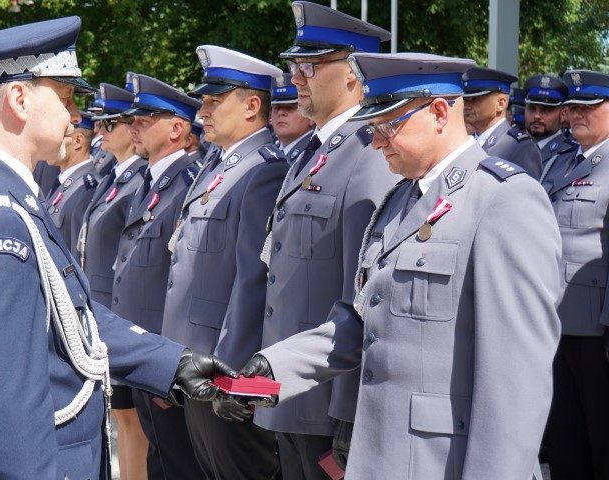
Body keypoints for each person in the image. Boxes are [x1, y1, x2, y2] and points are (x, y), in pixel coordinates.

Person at [0, 17, 237, 479]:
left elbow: (64, 310)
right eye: (65, 99)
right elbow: (2, 423)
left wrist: (171, 363)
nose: (76, 118)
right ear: (19, 100)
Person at [235, 52, 562, 480]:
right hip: (380, 459)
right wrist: (270, 371)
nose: (375, 142)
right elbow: (362, 320)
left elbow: (516, 382)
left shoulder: (504, 200)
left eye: (387, 125)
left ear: (441, 112)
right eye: (371, 128)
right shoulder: (400, 199)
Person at [248, 2, 398, 476]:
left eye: (308, 66)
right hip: (290, 388)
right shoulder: (314, 152)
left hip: (325, 399)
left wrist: (349, 412)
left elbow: (365, 295)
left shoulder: (367, 152)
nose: (295, 78)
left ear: (352, 72)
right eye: (295, 65)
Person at [161, 44, 288, 480]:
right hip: (196, 365)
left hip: (221, 373)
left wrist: (231, 380)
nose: (202, 112)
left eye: (215, 101)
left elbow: (253, 279)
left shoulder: (263, 170)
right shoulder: (221, 165)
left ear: (253, 105)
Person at [112, 73, 204, 480]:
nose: (134, 126)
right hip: (143, 342)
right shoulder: (148, 182)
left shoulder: (188, 181)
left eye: (145, 119)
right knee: (157, 457)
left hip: (163, 345)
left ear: (177, 128)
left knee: (175, 460)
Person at [79, 80, 150, 480]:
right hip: (104, 310)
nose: (102, 132)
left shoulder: (140, 179)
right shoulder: (113, 176)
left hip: (122, 313)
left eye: (113, 124)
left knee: (130, 418)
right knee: (121, 416)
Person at [541, 69, 609, 480]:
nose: (576, 114)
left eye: (589, 106)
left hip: (594, 332)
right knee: (564, 441)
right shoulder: (558, 161)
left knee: (601, 440)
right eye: (572, 107)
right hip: (552, 320)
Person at [463, 67, 542, 179]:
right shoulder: (464, 143)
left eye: (474, 99)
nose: (466, 106)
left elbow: (525, 194)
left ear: (500, 103)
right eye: (465, 99)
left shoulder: (522, 148)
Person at [46, 111, 99, 251]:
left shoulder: (87, 189)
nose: (48, 141)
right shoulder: (64, 182)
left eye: (56, 135)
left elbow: (79, 254)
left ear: (77, 141)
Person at [522, 75, 577, 169]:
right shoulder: (517, 148)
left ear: (563, 114)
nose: (537, 116)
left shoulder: (569, 153)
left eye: (547, 110)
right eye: (532, 108)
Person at [269, 72, 314, 163]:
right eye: (276, 107)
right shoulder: (270, 149)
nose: (281, 112)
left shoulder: (314, 151)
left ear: (311, 117)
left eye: (290, 107)